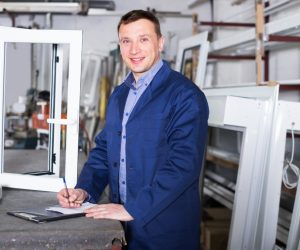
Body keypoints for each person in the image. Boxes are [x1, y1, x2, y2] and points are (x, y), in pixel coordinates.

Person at [57, 9, 209, 250]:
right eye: (126, 41)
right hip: (124, 227)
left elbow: (183, 166)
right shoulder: (120, 95)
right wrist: (84, 190)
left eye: (143, 39)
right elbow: (105, 151)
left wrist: (132, 209)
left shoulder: (185, 96)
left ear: (160, 43)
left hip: (165, 232)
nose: (134, 50)